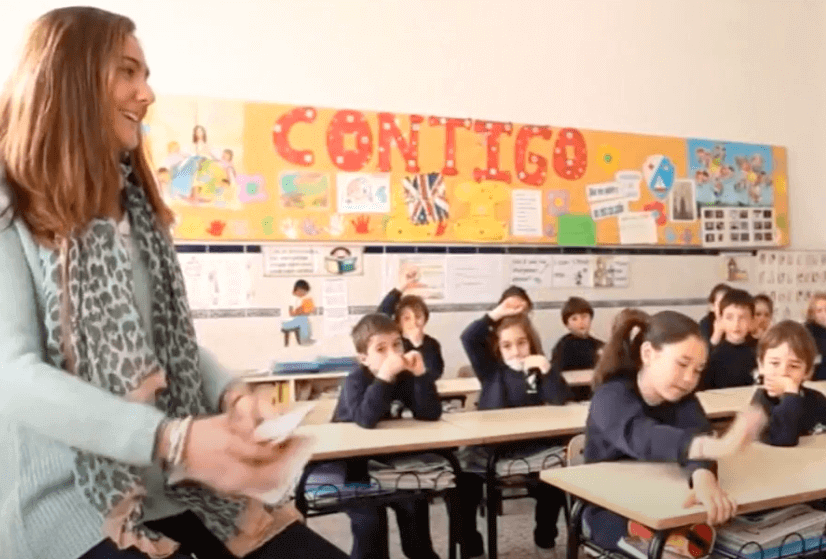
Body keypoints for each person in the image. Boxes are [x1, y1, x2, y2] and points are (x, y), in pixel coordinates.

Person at [0, 8, 345, 559]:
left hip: (171, 488)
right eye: (127, 72)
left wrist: (232, 393)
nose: (147, 93)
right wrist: (170, 439)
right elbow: (12, 374)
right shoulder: (9, 205)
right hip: (71, 504)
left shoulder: (134, 209)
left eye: (145, 75)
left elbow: (165, 347)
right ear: (70, 78)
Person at [584, 310, 766, 551]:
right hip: (611, 509)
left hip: (664, 502)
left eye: (698, 370)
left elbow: (699, 431)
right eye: (682, 364)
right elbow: (644, 438)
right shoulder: (610, 397)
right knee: (671, 550)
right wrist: (714, 446)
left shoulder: (683, 399)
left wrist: (703, 477)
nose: (689, 378)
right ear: (648, 354)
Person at [457, 290, 571, 557]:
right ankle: (472, 547)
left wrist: (547, 370)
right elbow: (469, 338)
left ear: (531, 343)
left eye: (521, 343)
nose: (516, 351)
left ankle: (544, 539)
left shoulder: (536, 370)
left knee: (553, 482)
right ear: (498, 349)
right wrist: (497, 314)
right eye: (507, 346)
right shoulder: (491, 371)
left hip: (532, 448)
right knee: (462, 485)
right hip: (491, 450)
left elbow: (560, 399)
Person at [332, 313, 442, 559]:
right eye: (381, 349)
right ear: (363, 358)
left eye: (397, 345)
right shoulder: (355, 380)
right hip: (355, 470)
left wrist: (421, 375)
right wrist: (383, 377)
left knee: (416, 523)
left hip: (394, 465)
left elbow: (430, 413)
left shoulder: (404, 377)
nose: (393, 355)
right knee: (371, 529)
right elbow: (365, 419)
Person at [751, 321, 826, 447]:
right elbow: (784, 439)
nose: (783, 372)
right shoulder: (760, 403)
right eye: (775, 363)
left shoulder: (817, 399)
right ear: (761, 365)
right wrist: (790, 391)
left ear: (807, 372)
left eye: (794, 366)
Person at [377, 265, 444, 380]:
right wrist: (400, 288)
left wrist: (418, 345)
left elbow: (434, 374)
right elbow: (380, 317)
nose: (414, 322)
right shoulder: (394, 344)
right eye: (407, 318)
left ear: (425, 319)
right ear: (398, 323)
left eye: (418, 316)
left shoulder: (432, 344)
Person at [700, 289, 758, 389]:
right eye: (729, 317)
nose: (736, 324)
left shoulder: (759, 352)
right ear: (720, 319)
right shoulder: (713, 355)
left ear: (752, 320)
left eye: (742, 317)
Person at [550, 296, 604, 372]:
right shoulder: (563, 347)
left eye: (584, 316)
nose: (580, 322)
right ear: (567, 324)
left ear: (591, 318)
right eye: (574, 319)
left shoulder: (599, 345)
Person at [281, 279, 315, 345]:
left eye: (305, 292)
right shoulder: (291, 299)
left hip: (294, 320)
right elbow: (291, 313)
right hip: (286, 322)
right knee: (303, 319)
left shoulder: (300, 299)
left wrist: (303, 311)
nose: (304, 294)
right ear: (296, 290)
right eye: (302, 291)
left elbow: (305, 311)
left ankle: (307, 339)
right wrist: (299, 312)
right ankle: (304, 340)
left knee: (306, 320)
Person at [804, 292, 826, 381]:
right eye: (819, 311)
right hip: (814, 381)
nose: (824, 314)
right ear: (812, 314)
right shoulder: (807, 332)